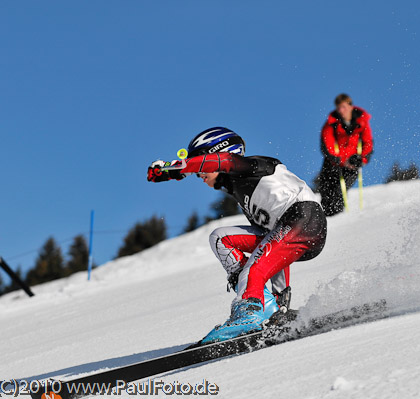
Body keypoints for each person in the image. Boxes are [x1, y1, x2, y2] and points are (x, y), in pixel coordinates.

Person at [147, 127, 327, 343]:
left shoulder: (251, 166)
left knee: (253, 269)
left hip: (304, 218)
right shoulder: (242, 192)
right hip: (290, 230)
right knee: (221, 238)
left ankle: (248, 314)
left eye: (200, 167)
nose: (199, 175)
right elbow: (272, 248)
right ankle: (268, 308)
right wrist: (281, 297)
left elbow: (222, 162)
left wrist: (175, 169)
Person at [318, 94, 373, 216]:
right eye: (338, 108)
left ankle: (338, 218)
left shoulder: (362, 121)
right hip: (333, 162)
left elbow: (368, 142)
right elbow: (327, 144)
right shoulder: (331, 123)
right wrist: (339, 160)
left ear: (350, 106)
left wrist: (362, 159)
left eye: (343, 107)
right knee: (326, 190)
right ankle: (325, 217)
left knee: (339, 191)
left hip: (353, 163)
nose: (341, 111)